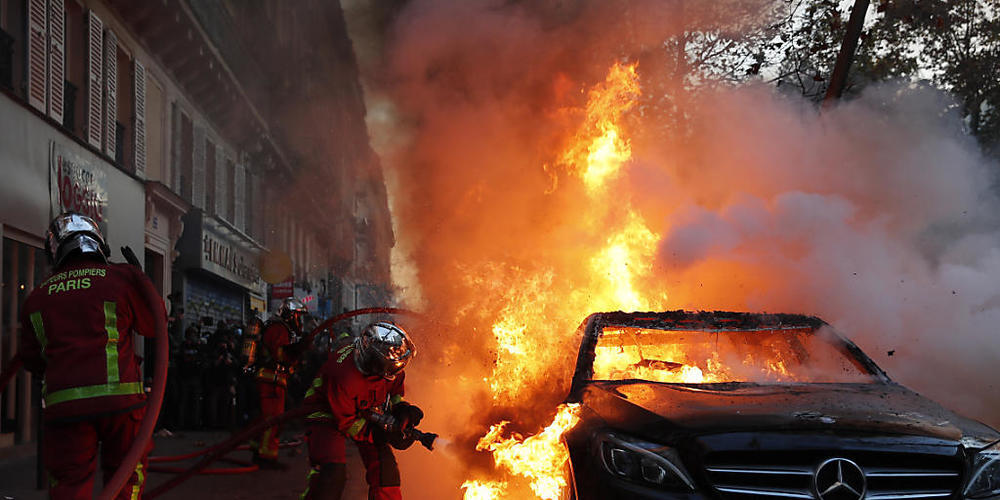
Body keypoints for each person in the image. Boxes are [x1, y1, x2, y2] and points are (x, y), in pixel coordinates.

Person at [18, 212, 165, 499]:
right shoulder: (120, 279)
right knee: (125, 479)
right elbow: (153, 324)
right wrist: (142, 284)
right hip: (121, 405)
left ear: (55, 250)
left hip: (66, 410)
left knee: (69, 486)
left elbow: (30, 359)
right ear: (99, 243)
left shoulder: (38, 296)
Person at [299, 322, 425, 500]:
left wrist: (401, 408)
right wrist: (381, 434)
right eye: (389, 371)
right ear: (373, 364)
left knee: (386, 474)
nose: (393, 373)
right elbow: (349, 424)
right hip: (325, 411)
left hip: (362, 410)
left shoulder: (391, 364)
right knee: (332, 475)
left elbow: (394, 390)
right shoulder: (344, 376)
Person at [250, 297, 308, 467]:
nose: (300, 320)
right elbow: (280, 355)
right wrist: (295, 352)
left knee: (265, 418)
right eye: (298, 316)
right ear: (291, 315)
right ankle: (267, 457)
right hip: (272, 381)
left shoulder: (277, 327)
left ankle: (257, 449)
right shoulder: (279, 329)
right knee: (273, 420)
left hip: (272, 380)